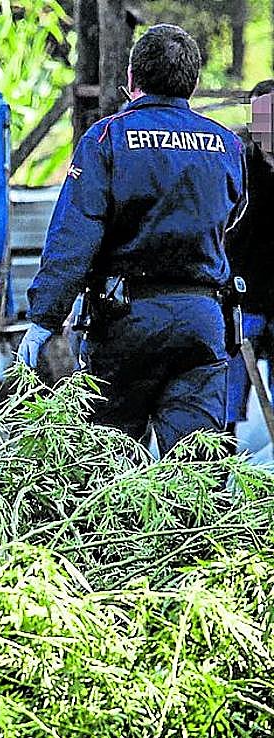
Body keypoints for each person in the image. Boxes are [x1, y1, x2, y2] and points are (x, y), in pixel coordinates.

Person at [19, 24, 248, 454]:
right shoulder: (227, 145)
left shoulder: (108, 138)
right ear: (193, 82)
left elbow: (74, 237)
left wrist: (44, 319)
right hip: (203, 319)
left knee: (110, 463)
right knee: (197, 465)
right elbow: (232, 218)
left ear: (130, 79)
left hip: (127, 321)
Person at [224, 82, 274, 444]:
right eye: (258, 116)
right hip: (245, 300)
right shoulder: (239, 165)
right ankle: (218, 485)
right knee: (228, 401)